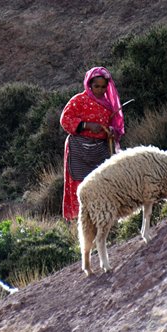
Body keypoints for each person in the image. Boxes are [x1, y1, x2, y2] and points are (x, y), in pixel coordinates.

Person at [60, 66, 125, 220]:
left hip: (100, 149)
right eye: (96, 86)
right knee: (79, 182)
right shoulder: (79, 100)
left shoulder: (109, 106)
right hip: (78, 150)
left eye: (103, 87)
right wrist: (87, 125)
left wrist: (111, 131)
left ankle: (100, 217)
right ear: (89, 85)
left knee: (100, 182)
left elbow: (115, 127)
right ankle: (79, 220)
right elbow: (65, 120)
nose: (100, 90)